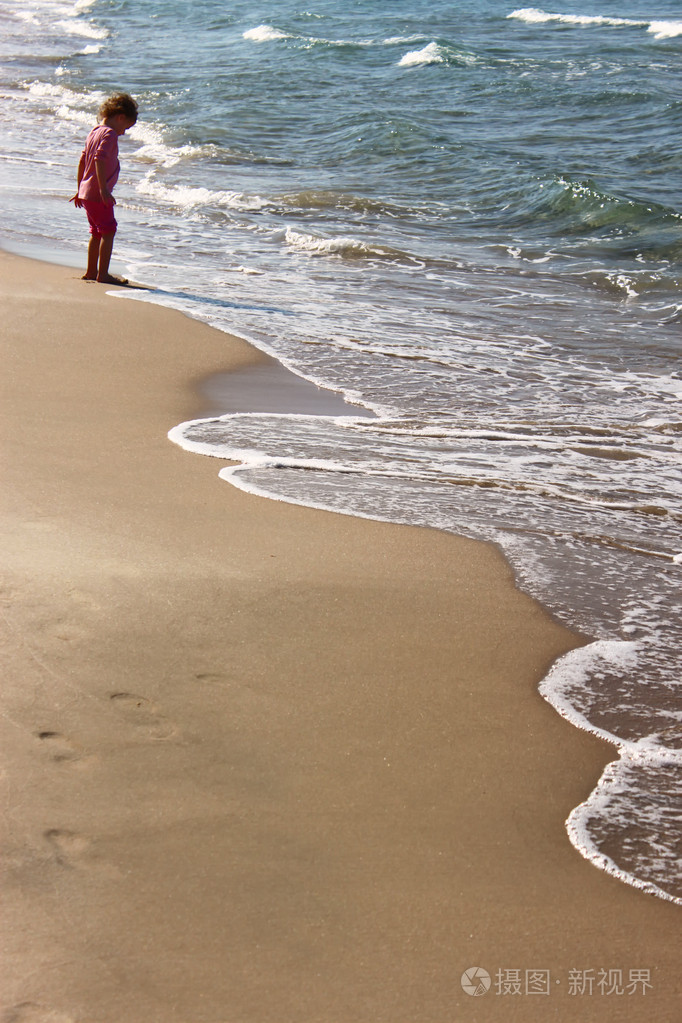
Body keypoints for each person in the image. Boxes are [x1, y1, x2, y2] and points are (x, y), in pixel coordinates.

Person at [70, 93, 138, 284]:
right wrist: (103, 190)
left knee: (96, 232)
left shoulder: (94, 131)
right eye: (126, 127)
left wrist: (79, 189)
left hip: (86, 192)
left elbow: (83, 161)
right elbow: (99, 160)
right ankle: (103, 274)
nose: (123, 132)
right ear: (120, 117)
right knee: (108, 231)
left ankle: (91, 271)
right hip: (98, 193)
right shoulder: (109, 134)